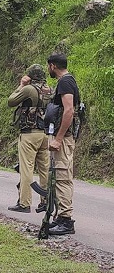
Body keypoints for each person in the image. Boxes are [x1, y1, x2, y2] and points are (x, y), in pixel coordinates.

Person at [7, 64, 52, 213]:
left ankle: (24, 203)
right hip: (46, 134)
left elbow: (11, 101)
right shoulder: (49, 90)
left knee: (27, 168)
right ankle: (45, 201)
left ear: (30, 76)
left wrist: (21, 84)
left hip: (29, 134)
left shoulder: (28, 89)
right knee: (44, 169)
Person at [46, 52, 80, 235]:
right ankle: (61, 217)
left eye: (48, 67)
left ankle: (66, 221)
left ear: (52, 66)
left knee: (63, 176)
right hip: (63, 136)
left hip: (64, 138)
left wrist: (58, 139)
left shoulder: (66, 82)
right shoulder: (65, 82)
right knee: (59, 177)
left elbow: (69, 111)